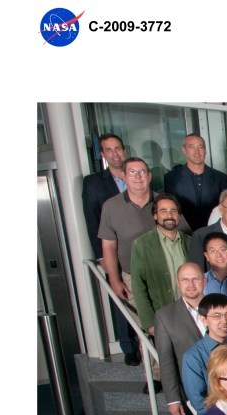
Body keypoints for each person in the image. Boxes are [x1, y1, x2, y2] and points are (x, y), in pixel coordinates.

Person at [98, 156, 157, 365]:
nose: (138, 176)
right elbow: (109, 246)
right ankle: (155, 375)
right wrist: (115, 280)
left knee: (165, 325)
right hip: (132, 277)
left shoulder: (163, 202)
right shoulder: (111, 207)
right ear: (124, 176)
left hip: (164, 275)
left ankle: (168, 373)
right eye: (132, 172)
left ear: (149, 176)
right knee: (146, 326)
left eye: (142, 171)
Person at [131, 193, 190, 337]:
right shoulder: (142, 245)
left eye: (173, 211)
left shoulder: (190, 242)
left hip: (189, 315)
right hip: (162, 316)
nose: (169, 215)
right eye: (163, 211)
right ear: (155, 216)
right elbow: (138, 286)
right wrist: (150, 323)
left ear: (179, 216)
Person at [154, 263, 205, 415]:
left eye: (195, 279)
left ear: (204, 281)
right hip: (193, 393)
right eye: (185, 280)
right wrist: (173, 398)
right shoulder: (165, 316)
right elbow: (166, 360)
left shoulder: (221, 307)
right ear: (178, 282)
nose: (190, 284)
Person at [181, 294, 227, 415]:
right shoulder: (193, 357)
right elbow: (200, 403)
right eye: (217, 316)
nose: (225, 320)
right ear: (204, 320)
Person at [162, 133, 227, 230]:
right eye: (191, 147)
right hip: (185, 233)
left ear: (205, 150)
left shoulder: (221, 178)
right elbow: (171, 209)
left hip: (215, 232)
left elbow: (226, 209)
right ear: (184, 150)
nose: (197, 151)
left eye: (200, 147)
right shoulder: (172, 178)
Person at [82, 133, 127, 261]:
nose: (115, 154)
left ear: (124, 150)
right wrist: (101, 257)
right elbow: (92, 220)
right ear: (102, 154)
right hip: (114, 251)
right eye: (109, 150)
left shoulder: (138, 177)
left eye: (117, 148)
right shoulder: (93, 183)